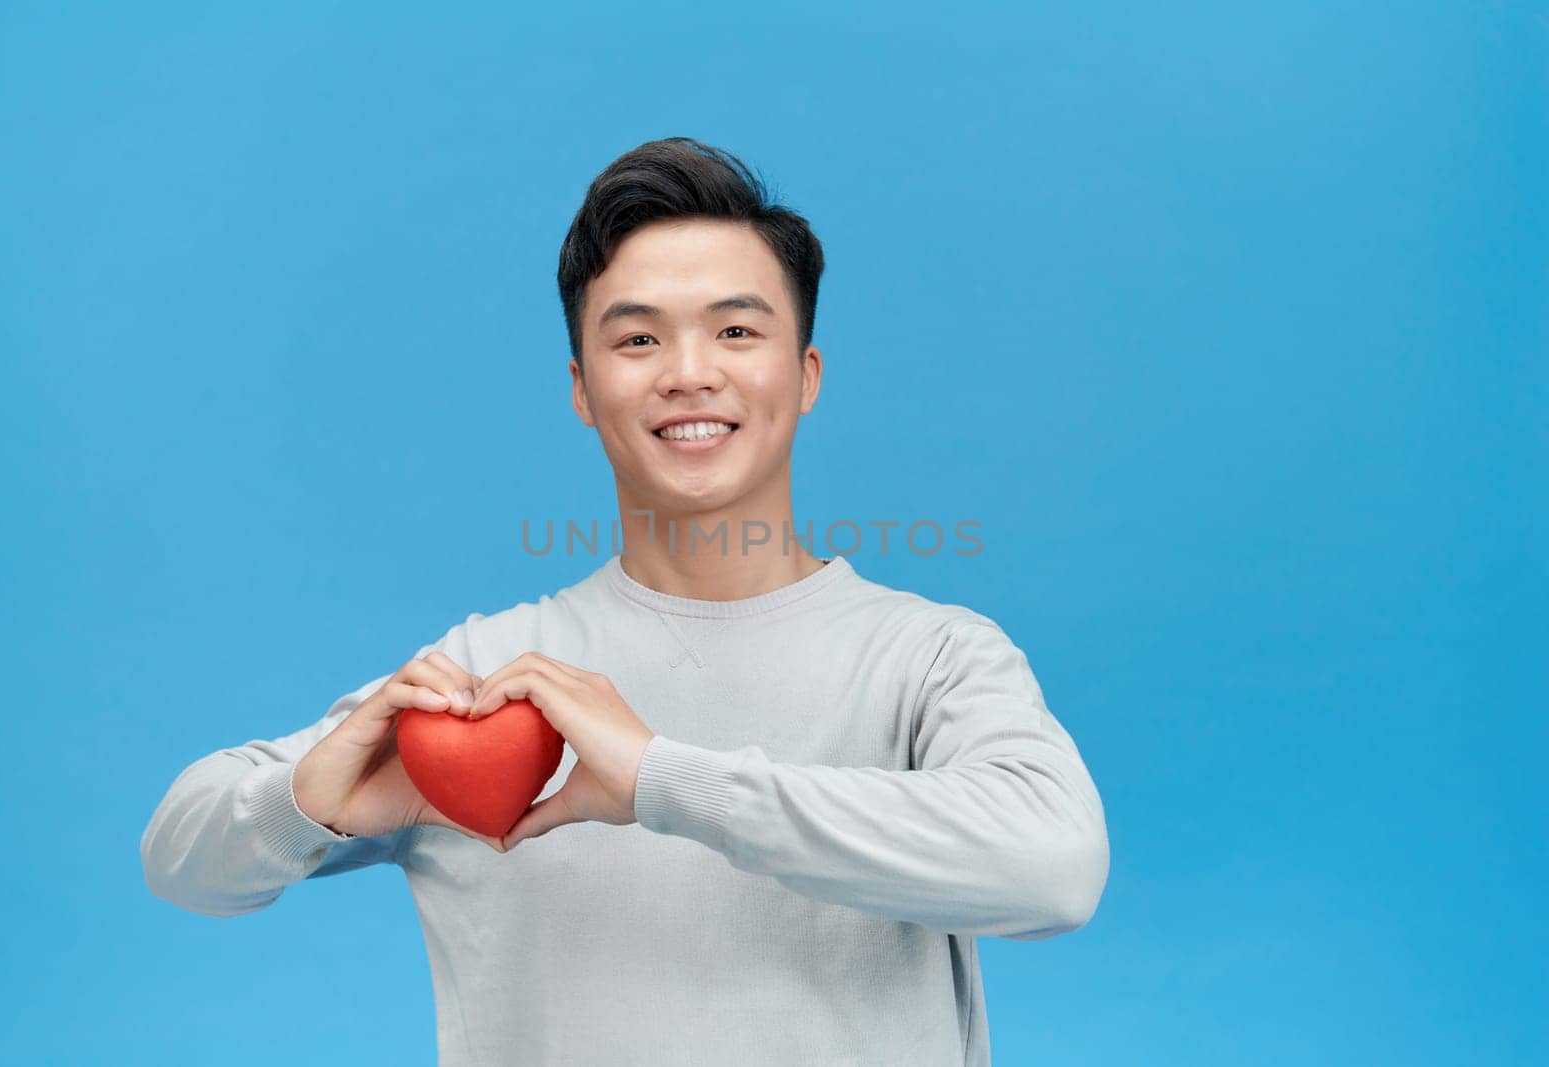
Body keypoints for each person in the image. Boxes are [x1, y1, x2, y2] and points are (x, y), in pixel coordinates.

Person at [140, 136, 1111, 1066]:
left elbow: (1053, 869)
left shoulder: (929, 657)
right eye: (637, 337)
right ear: (581, 387)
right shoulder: (487, 676)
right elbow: (182, 857)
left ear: (805, 374)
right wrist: (320, 798)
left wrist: (659, 778)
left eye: (736, 330)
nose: (689, 371)